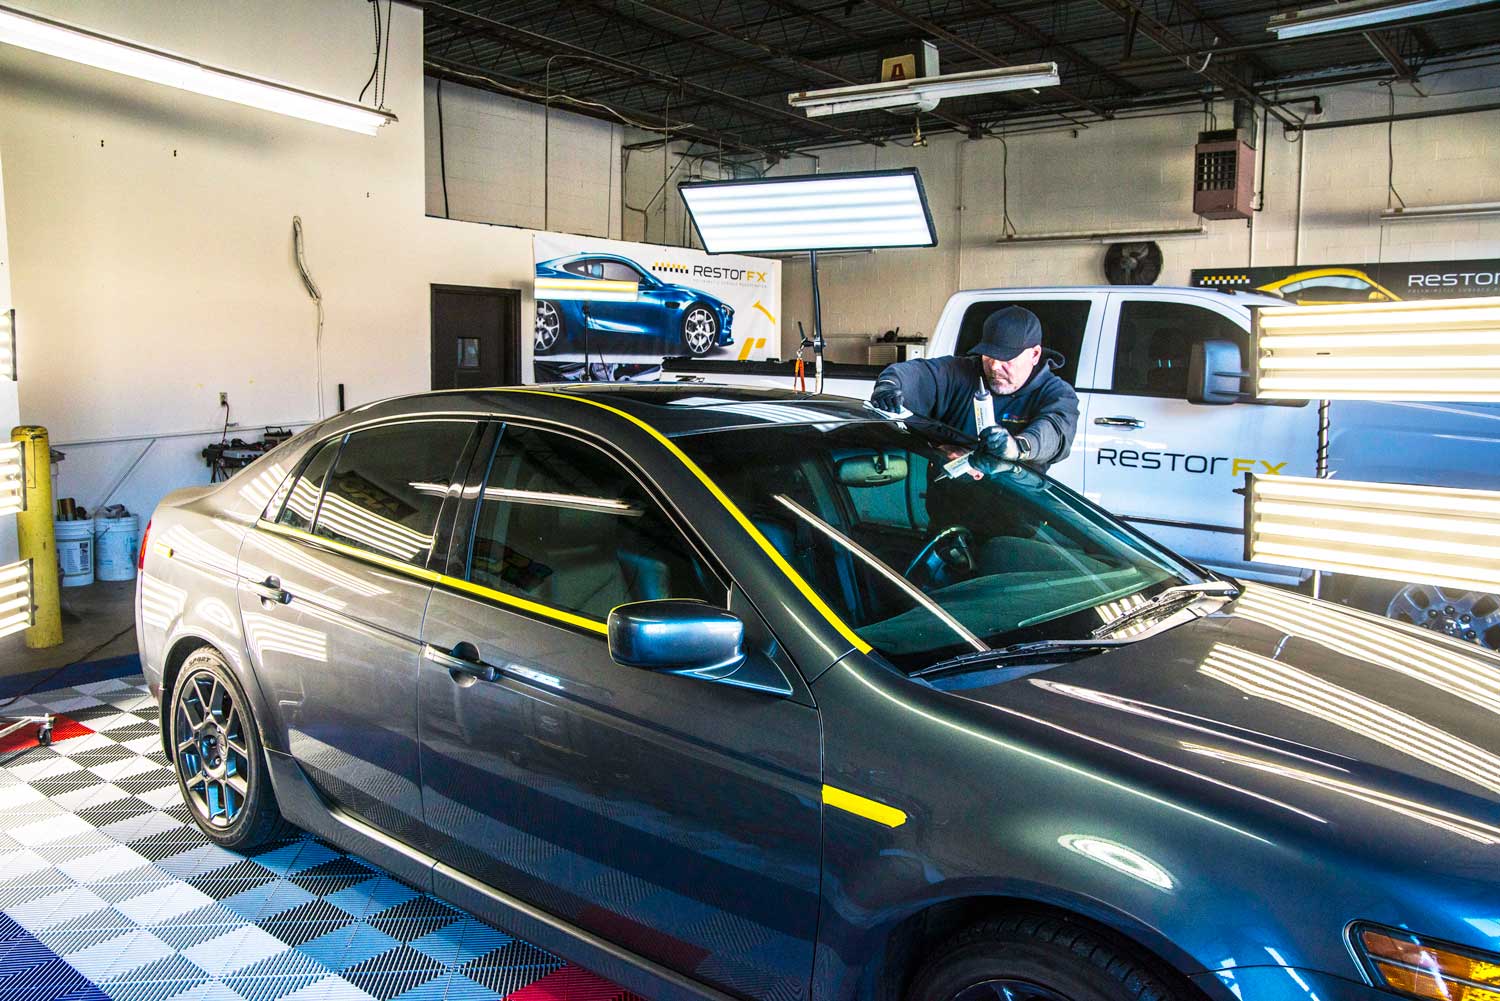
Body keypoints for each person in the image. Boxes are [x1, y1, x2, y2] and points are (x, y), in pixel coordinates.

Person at [869, 305, 1079, 472]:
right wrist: (888, 386)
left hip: (1016, 509)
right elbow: (915, 373)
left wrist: (1017, 447)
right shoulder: (961, 372)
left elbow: (1055, 432)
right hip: (949, 503)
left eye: (1007, 359)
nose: (995, 367)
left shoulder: (1056, 394)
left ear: (1034, 354)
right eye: (989, 357)